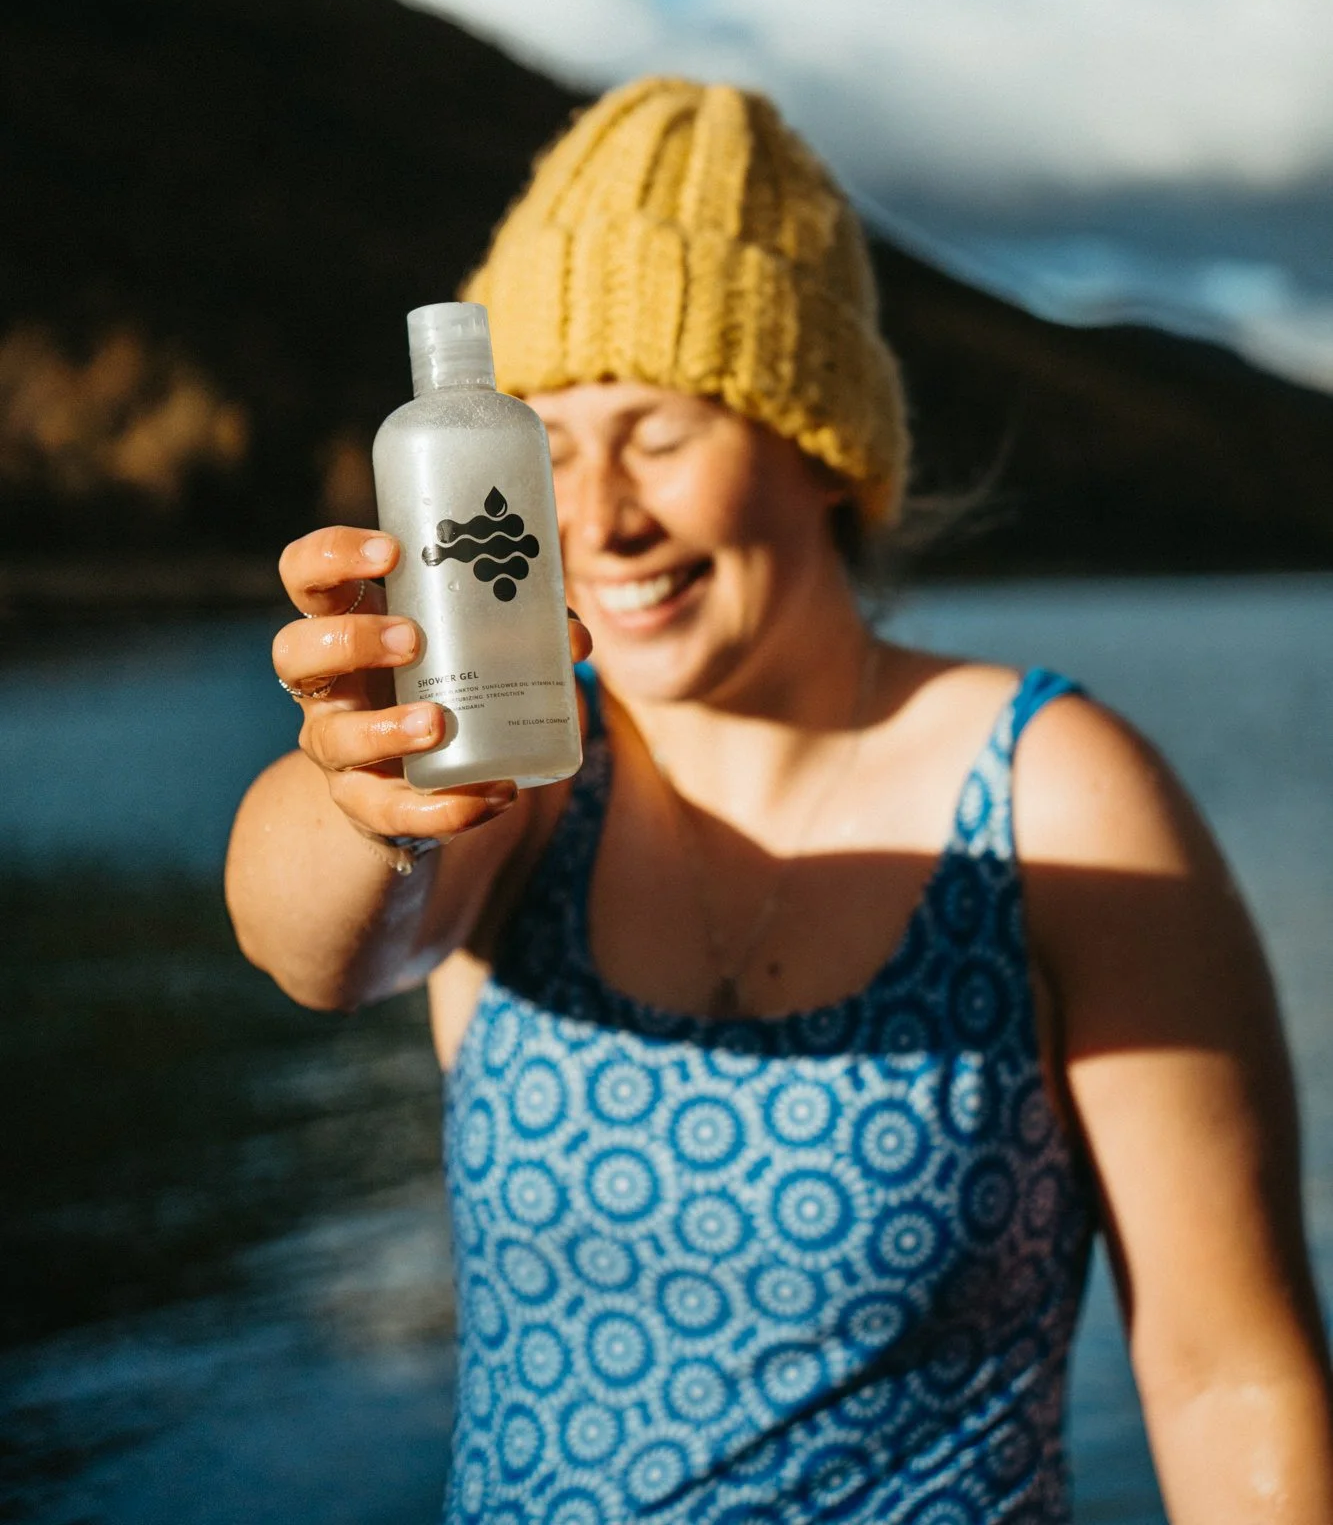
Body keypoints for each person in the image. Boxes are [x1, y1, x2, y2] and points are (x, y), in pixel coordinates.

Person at [226, 76, 1333, 1524]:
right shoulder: (528, 776)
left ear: (817, 445)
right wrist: (360, 796)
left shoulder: (1055, 792)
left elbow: (1226, 1374)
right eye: (542, 445)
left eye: (665, 431)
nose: (601, 514)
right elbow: (326, 947)